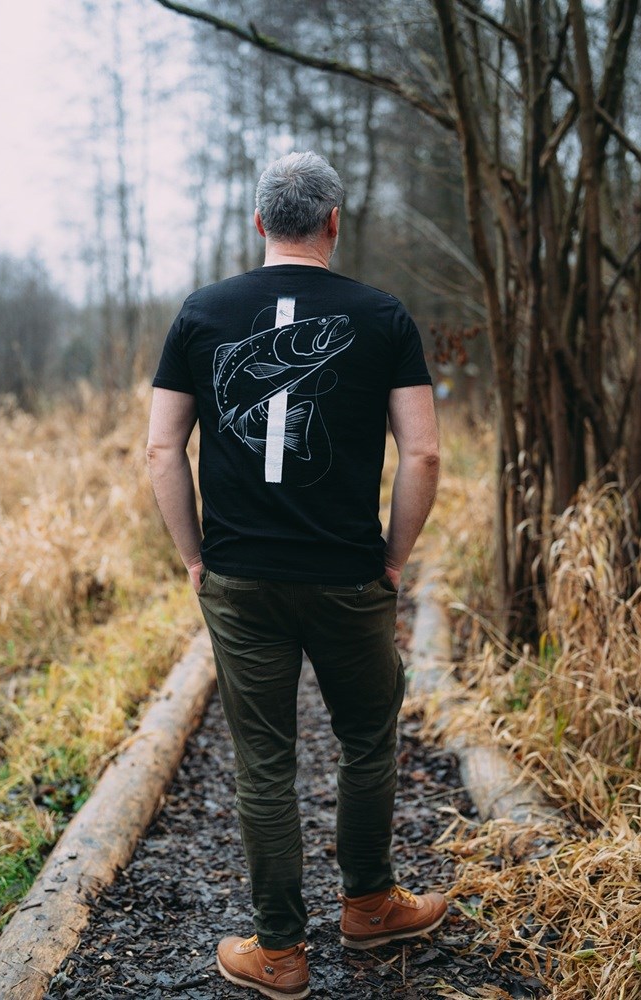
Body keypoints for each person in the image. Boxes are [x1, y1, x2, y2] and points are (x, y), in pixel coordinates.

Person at [147, 151, 444, 1000]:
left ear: (259, 222)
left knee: (265, 761)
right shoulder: (382, 315)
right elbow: (423, 453)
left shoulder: (201, 313)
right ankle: (370, 904)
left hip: (241, 577)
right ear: (334, 223)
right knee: (368, 738)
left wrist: (196, 558)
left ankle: (280, 953)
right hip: (348, 574)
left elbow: (162, 449)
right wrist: (394, 559)